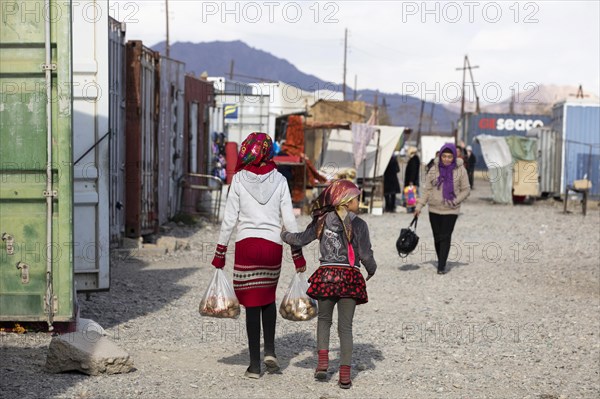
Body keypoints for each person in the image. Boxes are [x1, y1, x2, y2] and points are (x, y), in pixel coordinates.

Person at [211, 132, 306, 379]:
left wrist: (220, 252)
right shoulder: (281, 180)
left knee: (252, 303)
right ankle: (271, 351)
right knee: (268, 297)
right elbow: (289, 221)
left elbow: (230, 219)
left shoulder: (239, 179)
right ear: (268, 152)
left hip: (247, 246)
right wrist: (298, 255)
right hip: (272, 247)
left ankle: (255, 365)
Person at [281, 180, 377, 389]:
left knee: (324, 320)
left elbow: (300, 240)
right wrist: (372, 269)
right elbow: (365, 253)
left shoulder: (322, 221)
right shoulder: (360, 224)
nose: (359, 201)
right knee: (346, 328)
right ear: (347, 200)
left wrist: (284, 235)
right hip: (349, 278)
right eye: (356, 198)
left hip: (326, 277)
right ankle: (344, 376)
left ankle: (323, 364)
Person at [415, 143, 470, 275]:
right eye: (444, 156)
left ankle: (441, 265)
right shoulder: (434, 169)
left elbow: (466, 189)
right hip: (434, 209)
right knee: (437, 237)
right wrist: (419, 206)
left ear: (454, 157)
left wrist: (455, 201)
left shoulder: (460, 170)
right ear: (440, 156)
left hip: (451, 210)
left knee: (445, 236)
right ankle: (442, 259)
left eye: (449, 156)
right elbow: (427, 190)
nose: (446, 159)